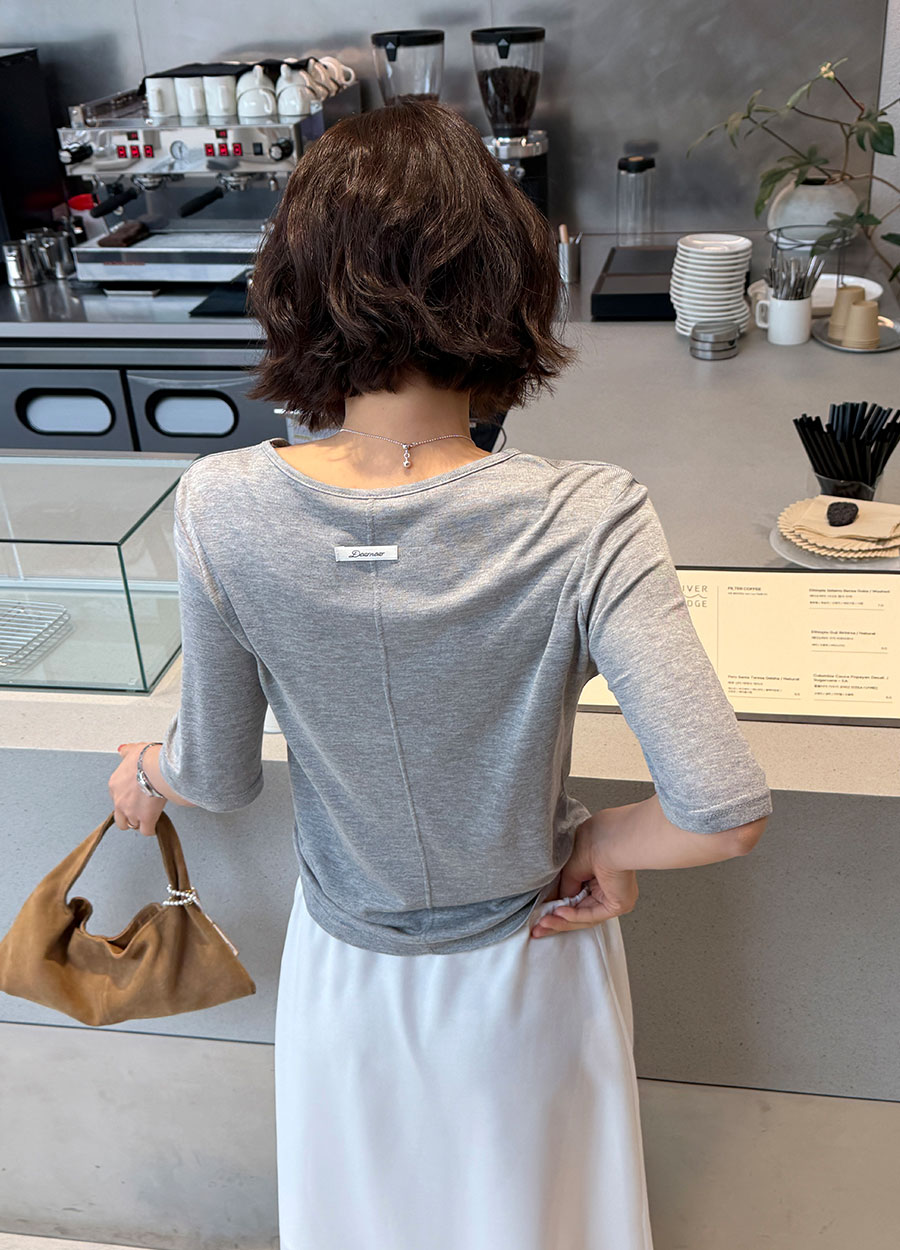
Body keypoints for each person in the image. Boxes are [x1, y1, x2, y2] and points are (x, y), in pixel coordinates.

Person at [108, 99, 772, 1250]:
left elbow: (216, 773)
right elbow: (721, 811)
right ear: (509, 281)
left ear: (295, 285)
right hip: (530, 970)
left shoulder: (223, 505)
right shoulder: (588, 514)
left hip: (348, 980)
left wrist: (145, 770)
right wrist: (600, 843)